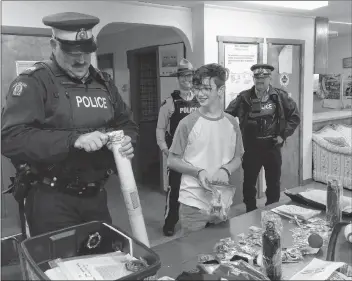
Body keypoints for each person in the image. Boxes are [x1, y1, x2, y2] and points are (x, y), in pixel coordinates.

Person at [1, 12, 138, 237]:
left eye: (86, 52)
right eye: (73, 52)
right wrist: (73, 140)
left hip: (96, 196)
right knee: (57, 268)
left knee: (100, 260)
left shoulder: (103, 83)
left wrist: (127, 140)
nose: (81, 60)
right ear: (54, 45)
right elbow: (11, 138)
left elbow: (127, 123)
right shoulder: (34, 82)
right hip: (52, 199)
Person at [167, 63, 244, 234]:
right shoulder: (187, 123)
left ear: (221, 90)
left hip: (222, 203)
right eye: (197, 88)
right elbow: (172, 160)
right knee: (193, 256)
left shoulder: (232, 123)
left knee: (222, 253)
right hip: (193, 204)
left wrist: (226, 170)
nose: (200, 94)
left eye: (207, 88)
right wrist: (198, 172)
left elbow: (237, 157)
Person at [225, 63, 300, 213]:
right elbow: (227, 115)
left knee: (273, 182)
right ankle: (251, 210)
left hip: (272, 146)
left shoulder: (279, 96)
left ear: (269, 78)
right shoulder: (244, 97)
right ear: (253, 79)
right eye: (257, 78)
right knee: (249, 183)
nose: (260, 81)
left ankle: (271, 209)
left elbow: (294, 117)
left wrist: (282, 135)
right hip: (251, 148)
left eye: (263, 78)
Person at [156, 58, 200, 236]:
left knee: (198, 188)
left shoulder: (200, 101)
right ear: (178, 79)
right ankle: (170, 222)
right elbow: (160, 128)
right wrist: (164, 148)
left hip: (196, 155)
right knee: (174, 190)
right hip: (177, 155)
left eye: (189, 75)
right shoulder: (169, 102)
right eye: (182, 76)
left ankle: (198, 219)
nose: (186, 79)